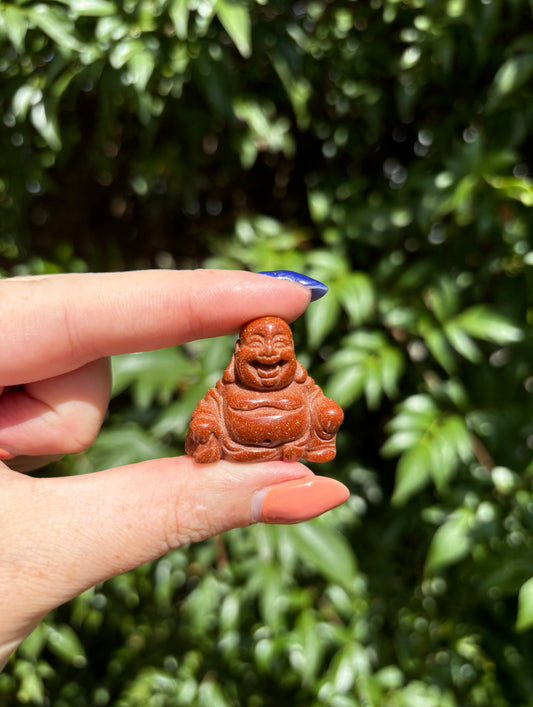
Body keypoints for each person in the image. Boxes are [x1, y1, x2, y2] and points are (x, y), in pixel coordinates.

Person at [0, 269, 349, 670]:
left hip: (291, 441)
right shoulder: (225, 389)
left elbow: (321, 406)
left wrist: (323, 415)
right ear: (237, 352)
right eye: (257, 342)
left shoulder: (302, 387)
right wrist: (204, 430)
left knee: (329, 414)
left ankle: (312, 445)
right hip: (237, 439)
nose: (269, 352)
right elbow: (208, 411)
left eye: (279, 344)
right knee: (205, 429)